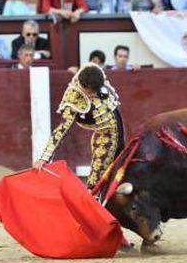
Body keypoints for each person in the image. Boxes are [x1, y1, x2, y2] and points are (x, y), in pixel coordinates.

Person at [32, 63, 125, 191]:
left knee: (119, 170)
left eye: (95, 92)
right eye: (90, 93)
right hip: (105, 136)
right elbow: (60, 131)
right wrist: (44, 158)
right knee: (96, 181)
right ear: (83, 86)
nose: (93, 95)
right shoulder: (73, 98)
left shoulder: (96, 75)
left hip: (115, 130)